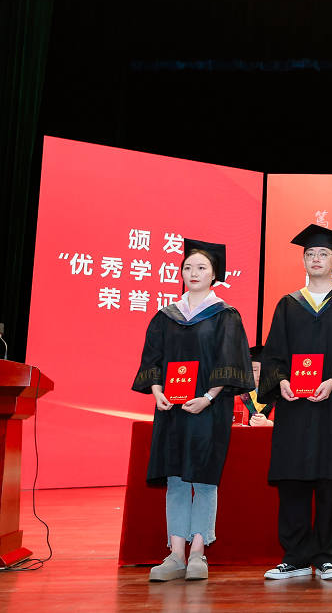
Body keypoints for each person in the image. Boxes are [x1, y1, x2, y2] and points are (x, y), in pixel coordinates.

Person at [132, 239, 254, 581]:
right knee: (174, 478)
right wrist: (157, 392)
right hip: (171, 408)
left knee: (203, 478)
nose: (193, 273)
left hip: (208, 409)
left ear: (215, 275)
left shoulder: (225, 316)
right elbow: (153, 359)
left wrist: (209, 398)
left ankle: (198, 551)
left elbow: (230, 362)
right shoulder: (165, 316)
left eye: (201, 267)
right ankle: (175, 554)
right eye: (188, 267)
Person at [258, 224, 332, 581]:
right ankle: (294, 557)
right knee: (292, 478)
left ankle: (325, 556)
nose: (316, 258)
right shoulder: (288, 304)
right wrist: (282, 381)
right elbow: (273, 355)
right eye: (310, 254)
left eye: (323, 254)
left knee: (330, 479)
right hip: (294, 405)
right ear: (304, 260)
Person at [239, 345, 274, 427]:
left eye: (264, 370)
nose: (259, 374)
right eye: (254, 370)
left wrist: (269, 424)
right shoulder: (238, 396)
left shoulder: (279, 396)